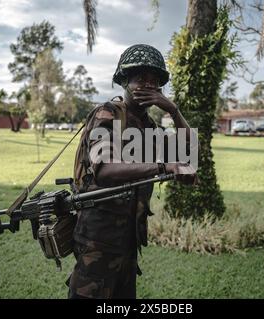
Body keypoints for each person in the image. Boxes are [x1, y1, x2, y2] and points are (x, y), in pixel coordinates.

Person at [68, 44, 198, 299]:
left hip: (128, 239)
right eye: (140, 78)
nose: (148, 85)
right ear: (125, 81)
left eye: (154, 81)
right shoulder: (108, 113)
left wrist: (174, 110)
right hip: (98, 238)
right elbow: (104, 170)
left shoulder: (149, 126)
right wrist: (163, 166)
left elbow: (190, 152)